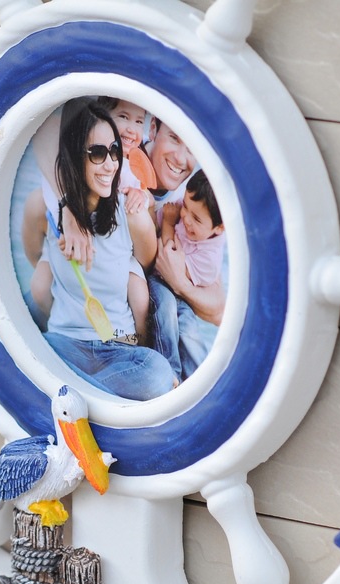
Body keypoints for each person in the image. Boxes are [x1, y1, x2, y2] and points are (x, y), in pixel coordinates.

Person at [22, 99, 176, 401]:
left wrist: (129, 341)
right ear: (74, 156)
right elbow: (33, 259)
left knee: (157, 373)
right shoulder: (48, 209)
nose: (110, 164)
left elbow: (144, 266)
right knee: (32, 346)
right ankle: (95, 397)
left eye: (115, 151)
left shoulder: (130, 214)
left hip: (118, 345)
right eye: (97, 153)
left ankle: (71, 393)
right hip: (65, 343)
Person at [149, 169, 226, 381]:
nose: (186, 219)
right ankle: (171, 374)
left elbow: (171, 260)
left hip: (176, 288)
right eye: (185, 206)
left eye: (196, 219)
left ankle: (203, 380)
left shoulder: (210, 259)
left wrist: (168, 224)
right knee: (166, 308)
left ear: (219, 228)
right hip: (158, 283)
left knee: (187, 328)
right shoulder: (188, 210)